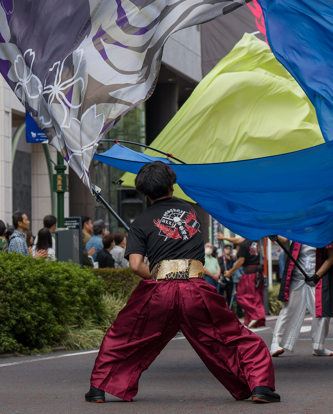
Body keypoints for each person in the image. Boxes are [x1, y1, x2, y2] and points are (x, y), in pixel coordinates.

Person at [85, 161, 279, 404]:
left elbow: (135, 265)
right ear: (172, 185)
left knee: (125, 335)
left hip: (158, 292)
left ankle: (98, 389)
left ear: (144, 191)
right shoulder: (191, 212)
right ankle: (259, 384)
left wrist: (160, 275)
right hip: (195, 290)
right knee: (232, 336)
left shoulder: (140, 223)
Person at [271, 236, 333, 357]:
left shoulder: (327, 230)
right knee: (288, 310)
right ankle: (275, 343)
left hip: (316, 278)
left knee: (322, 313)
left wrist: (316, 276)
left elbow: (331, 257)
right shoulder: (300, 226)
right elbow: (284, 239)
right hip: (296, 277)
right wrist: (273, 235)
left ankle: (319, 346)